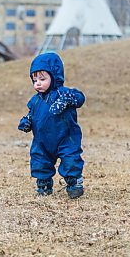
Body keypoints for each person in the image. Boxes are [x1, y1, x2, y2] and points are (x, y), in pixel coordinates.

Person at [18, 52, 86, 199]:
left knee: (70, 159)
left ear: (54, 77)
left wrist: (67, 100)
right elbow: (32, 114)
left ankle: (74, 182)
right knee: (39, 160)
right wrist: (26, 122)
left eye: (42, 79)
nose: (38, 83)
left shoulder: (63, 94)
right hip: (42, 140)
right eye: (34, 80)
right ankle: (43, 184)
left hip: (65, 137)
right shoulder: (35, 101)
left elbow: (80, 98)